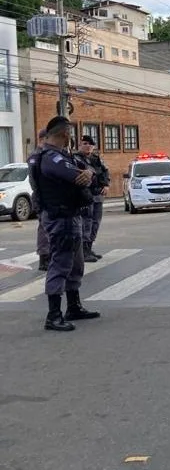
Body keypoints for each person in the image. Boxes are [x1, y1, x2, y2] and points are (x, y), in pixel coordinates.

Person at [33, 116, 99, 332]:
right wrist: (86, 175)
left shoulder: (63, 156)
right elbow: (74, 175)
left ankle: (73, 306)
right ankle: (53, 315)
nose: (71, 138)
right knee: (61, 264)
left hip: (71, 216)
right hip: (60, 218)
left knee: (76, 264)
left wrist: (88, 173)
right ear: (64, 135)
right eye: (69, 134)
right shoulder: (51, 158)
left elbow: (88, 173)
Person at [73, 135, 110, 262]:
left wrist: (106, 185)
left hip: (97, 195)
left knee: (95, 222)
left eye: (90, 144)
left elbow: (105, 172)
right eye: (84, 143)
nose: (87, 146)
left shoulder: (96, 158)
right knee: (86, 222)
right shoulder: (76, 159)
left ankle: (89, 247)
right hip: (85, 195)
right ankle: (84, 250)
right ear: (79, 145)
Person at [28, 128, 50, 271]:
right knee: (44, 228)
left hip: (48, 196)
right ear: (43, 139)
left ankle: (48, 256)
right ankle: (44, 258)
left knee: (48, 227)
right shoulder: (36, 156)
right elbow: (34, 181)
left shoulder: (45, 154)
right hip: (42, 197)